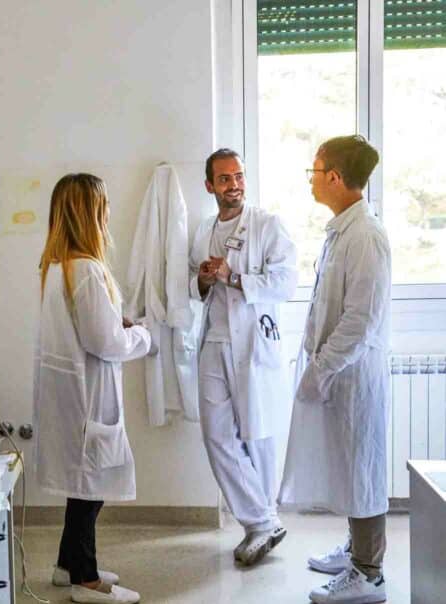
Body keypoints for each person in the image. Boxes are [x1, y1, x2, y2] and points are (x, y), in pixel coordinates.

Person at [279, 135, 391, 604]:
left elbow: (359, 321)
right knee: (348, 466)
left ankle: (370, 574)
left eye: (315, 169)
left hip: (352, 376)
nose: (311, 178)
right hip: (338, 375)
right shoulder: (342, 230)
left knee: (362, 469)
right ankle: (356, 551)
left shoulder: (366, 237)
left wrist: (321, 368)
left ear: (335, 177)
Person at [34, 173, 151, 604]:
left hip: (70, 394)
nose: (108, 213)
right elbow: (106, 342)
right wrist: (142, 335)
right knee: (91, 489)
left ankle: (68, 565)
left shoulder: (55, 265)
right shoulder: (86, 269)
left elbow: (87, 325)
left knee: (82, 483)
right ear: (91, 213)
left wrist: (113, 320)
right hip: (88, 395)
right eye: (103, 206)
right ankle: (85, 581)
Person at [189, 149, 298, 566]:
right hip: (215, 341)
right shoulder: (203, 231)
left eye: (238, 177)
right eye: (223, 179)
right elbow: (193, 286)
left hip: (253, 340)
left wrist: (231, 276)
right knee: (216, 435)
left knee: (258, 433)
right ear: (209, 186)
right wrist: (201, 280)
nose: (233, 184)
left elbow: (285, 283)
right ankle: (262, 520)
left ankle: (260, 524)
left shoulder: (268, 226)